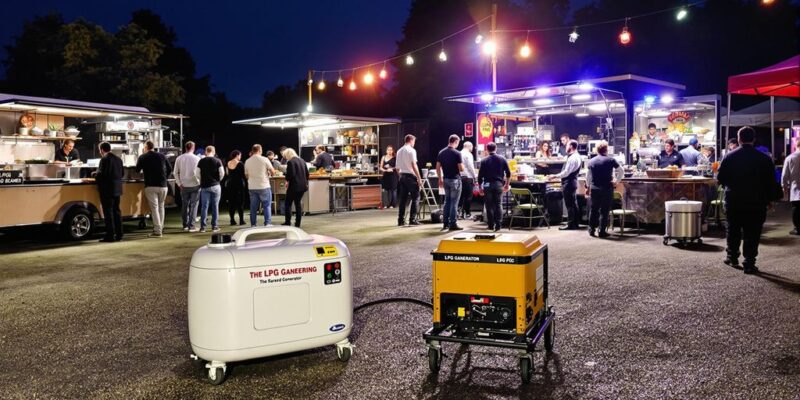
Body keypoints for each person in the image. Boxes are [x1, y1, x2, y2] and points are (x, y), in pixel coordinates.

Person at [717, 126, 780, 274]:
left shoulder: (729, 156)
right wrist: (771, 200)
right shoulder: (764, 159)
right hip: (757, 202)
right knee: (753, 232)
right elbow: (771, 182)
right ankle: (749, 262)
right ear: (753, 139)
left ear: (739, 139)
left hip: (734, 200)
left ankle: (732, 257)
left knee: (733, 230)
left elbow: (720, 178)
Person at [586, 141, 624, 238]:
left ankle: (591, 229)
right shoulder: (611, 160)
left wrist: (588, 186)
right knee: (604, 210)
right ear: (606, 150)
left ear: (597, 150)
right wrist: (616, 181)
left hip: (595, 188)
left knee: (593, 209)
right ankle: (602, 231)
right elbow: (621, 171)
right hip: (607, 188)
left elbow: (588, 176)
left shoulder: (591, 161)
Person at [136, 140, 172, 237]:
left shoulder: (143, 157)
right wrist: (165, 177)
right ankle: (161, 227)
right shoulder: (162, 156)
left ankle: (157, 231)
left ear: (146, 147)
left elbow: (137, 170)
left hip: (151, 185)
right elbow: (170, 169)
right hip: (163, 185)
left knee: (154, 208)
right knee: (161, 207)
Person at [548, 139, 582, 230]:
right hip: (572, 182)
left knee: (570, 205)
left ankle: (571, 225)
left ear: (571, 147)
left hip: (569, 183)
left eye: (567, 146)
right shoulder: (576, 156)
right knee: (573, 204)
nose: (566, 147)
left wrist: (555, 176)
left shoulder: (572, 158)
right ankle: (575, 223)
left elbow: (566, 172)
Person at [477, 142, 511, 232]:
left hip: (487, 185)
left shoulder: (484, 160)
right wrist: (507, 184)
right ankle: (498, 225)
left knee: (489, 205)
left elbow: (480, 176)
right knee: (498, 204)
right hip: (498, 184)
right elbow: (508, 173)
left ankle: (491, 225)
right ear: (496, 148)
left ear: (487, 149)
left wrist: (480, 187)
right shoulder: (502, 159)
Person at [94, 142, 123, 242]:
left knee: (108, 212)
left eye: (99, 150)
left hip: (107, 190)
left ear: (102, 149)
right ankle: (119, 234)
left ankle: (110, 235)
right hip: (117, 189)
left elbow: (102, 174)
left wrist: (95, 174)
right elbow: (122, 173)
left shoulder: (104, 159)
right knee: (117, 211)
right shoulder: (118, 159)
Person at [437, 134, 464, 231]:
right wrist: (463, 165)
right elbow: (461, 168)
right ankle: (453, 223)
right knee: (454, 203)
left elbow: (438, 167)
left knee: (446, 202)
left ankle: (445, 224)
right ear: (456, 142)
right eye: (458, 143)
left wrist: (440, 179)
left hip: (446, 180)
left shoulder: (441, 152)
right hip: (455, 180)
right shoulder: (457, 153)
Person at [244, 144, 275, 227]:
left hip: (252, 187)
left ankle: (253, 224)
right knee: (267, 205)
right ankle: (267, 223)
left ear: (253, 150)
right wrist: (269, 174)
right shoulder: (264, 159)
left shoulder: (247, 161)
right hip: (264, 186)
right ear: (260, 150)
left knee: (253, 207)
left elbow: (246, 175)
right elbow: (273, 171)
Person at [396, 134, 423, 226]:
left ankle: (400, 220)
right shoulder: (411, 150)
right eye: (414, 141)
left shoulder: (399, 151)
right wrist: (419, 178)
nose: (414, 143)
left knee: (403, 200)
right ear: (411, 140)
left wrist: (400, 176)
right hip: (411, 177)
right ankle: (413, 219)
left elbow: (397, 168)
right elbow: (414, 165)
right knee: (416, 197)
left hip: (402, 176)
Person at [173, 141, 201, 232]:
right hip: (195, 184)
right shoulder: (197, 158)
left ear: (185, 147)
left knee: (185, 205)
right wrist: (199, 181)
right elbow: (199, 172)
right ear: (193, 147)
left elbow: (175, 172)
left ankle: (185, 225)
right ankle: (191, 226)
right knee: (194, 205)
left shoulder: (179, 158)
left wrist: (179, 183)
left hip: (183, 185)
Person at [196, 146, 224, 233]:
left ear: (206, 152)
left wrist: (201, 180)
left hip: (205, 186)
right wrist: (218, 180)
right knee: (215, 206)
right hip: (216, 186)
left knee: (204, 207)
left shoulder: (201, 161)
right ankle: (214, 226)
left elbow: (196, 173)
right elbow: (222, 173)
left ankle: (203, 227)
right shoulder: (218, 161)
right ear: (214, 151)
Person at [282, 148, 308, 227]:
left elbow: (291, 174)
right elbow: (307, 174)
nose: (285, 158)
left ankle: (287, 221)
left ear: (288, 155)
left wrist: (286, 178)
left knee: (288, 204)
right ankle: (297, 223)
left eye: (285, 156)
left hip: (294, 186)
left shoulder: (291, 162)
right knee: (298, 204)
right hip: (302, 187)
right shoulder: (302, 161)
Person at [225, 150, 247, 226]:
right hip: (239, 184)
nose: (240, 157)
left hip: (230, 184)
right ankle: (241, 220)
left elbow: (227, 173)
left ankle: (232, 220)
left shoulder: (228, 163)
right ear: (237, 155)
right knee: (240, 203)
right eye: (240, 155)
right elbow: (243, 176)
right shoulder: (240, 164)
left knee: (231, 203)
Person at [782, 145, 800, 235]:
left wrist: (784, 186)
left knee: (796, 209)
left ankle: (798, 228)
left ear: (796, 146)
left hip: (796, 188)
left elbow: (785, 174)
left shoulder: (790, 157)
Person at [459, 141, 477, 219]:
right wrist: (475, 176)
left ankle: (459, 212)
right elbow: (470, 166)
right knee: (468, 196)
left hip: (460, 177)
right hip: (468, 177)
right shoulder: (468, 154)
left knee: (461, 196)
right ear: (469, 146)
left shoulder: (459, 153)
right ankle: (467, 213)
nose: (472, 149)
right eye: (472, 147)